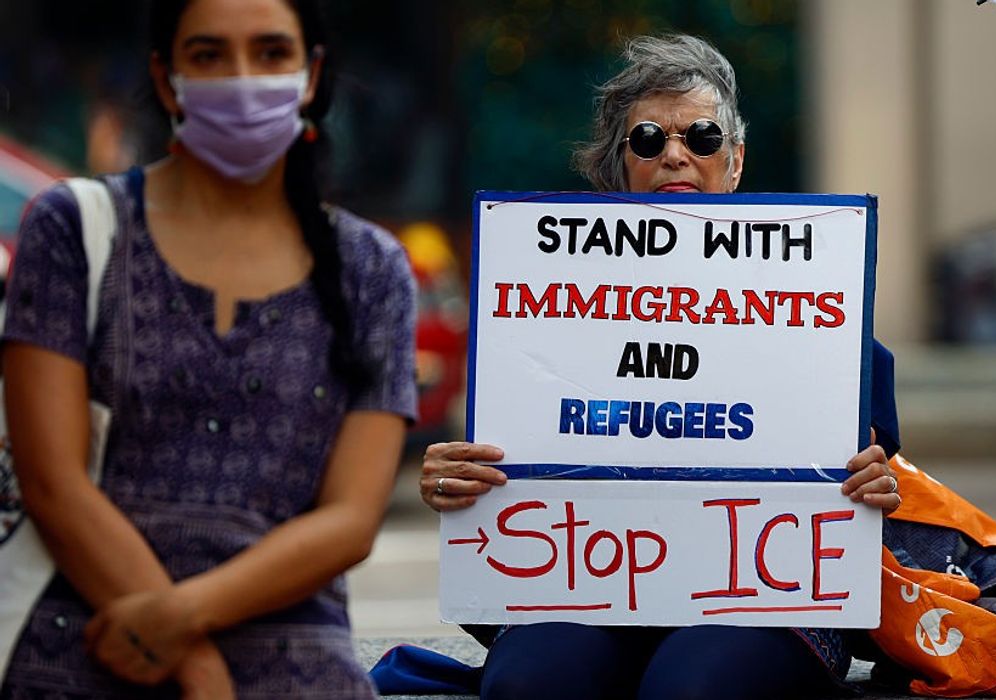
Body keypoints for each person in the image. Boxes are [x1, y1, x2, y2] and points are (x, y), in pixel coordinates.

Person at [420, 34, 906, 700]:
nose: (675, 153)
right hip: (581, 589)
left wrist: (877, 489)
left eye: (701, 137)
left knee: (694, 688)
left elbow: (875, 501)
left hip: (764, 603)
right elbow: (508, 465)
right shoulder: (533, 322)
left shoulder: (828, 332)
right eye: (647, 140)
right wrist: (458, 486)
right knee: (532, 684)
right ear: (619, 167)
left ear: (733, 162)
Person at [0, 0, 416, 697]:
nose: (243, 78)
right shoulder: (71, 229)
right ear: (167, 81)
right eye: (208, 55)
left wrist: (181, 617)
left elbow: (350, 520)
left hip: (294, 659)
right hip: (84, 639)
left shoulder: (371, 268)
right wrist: (192, 661)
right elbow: (52, 482)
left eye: (271, 52)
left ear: (310, 74)